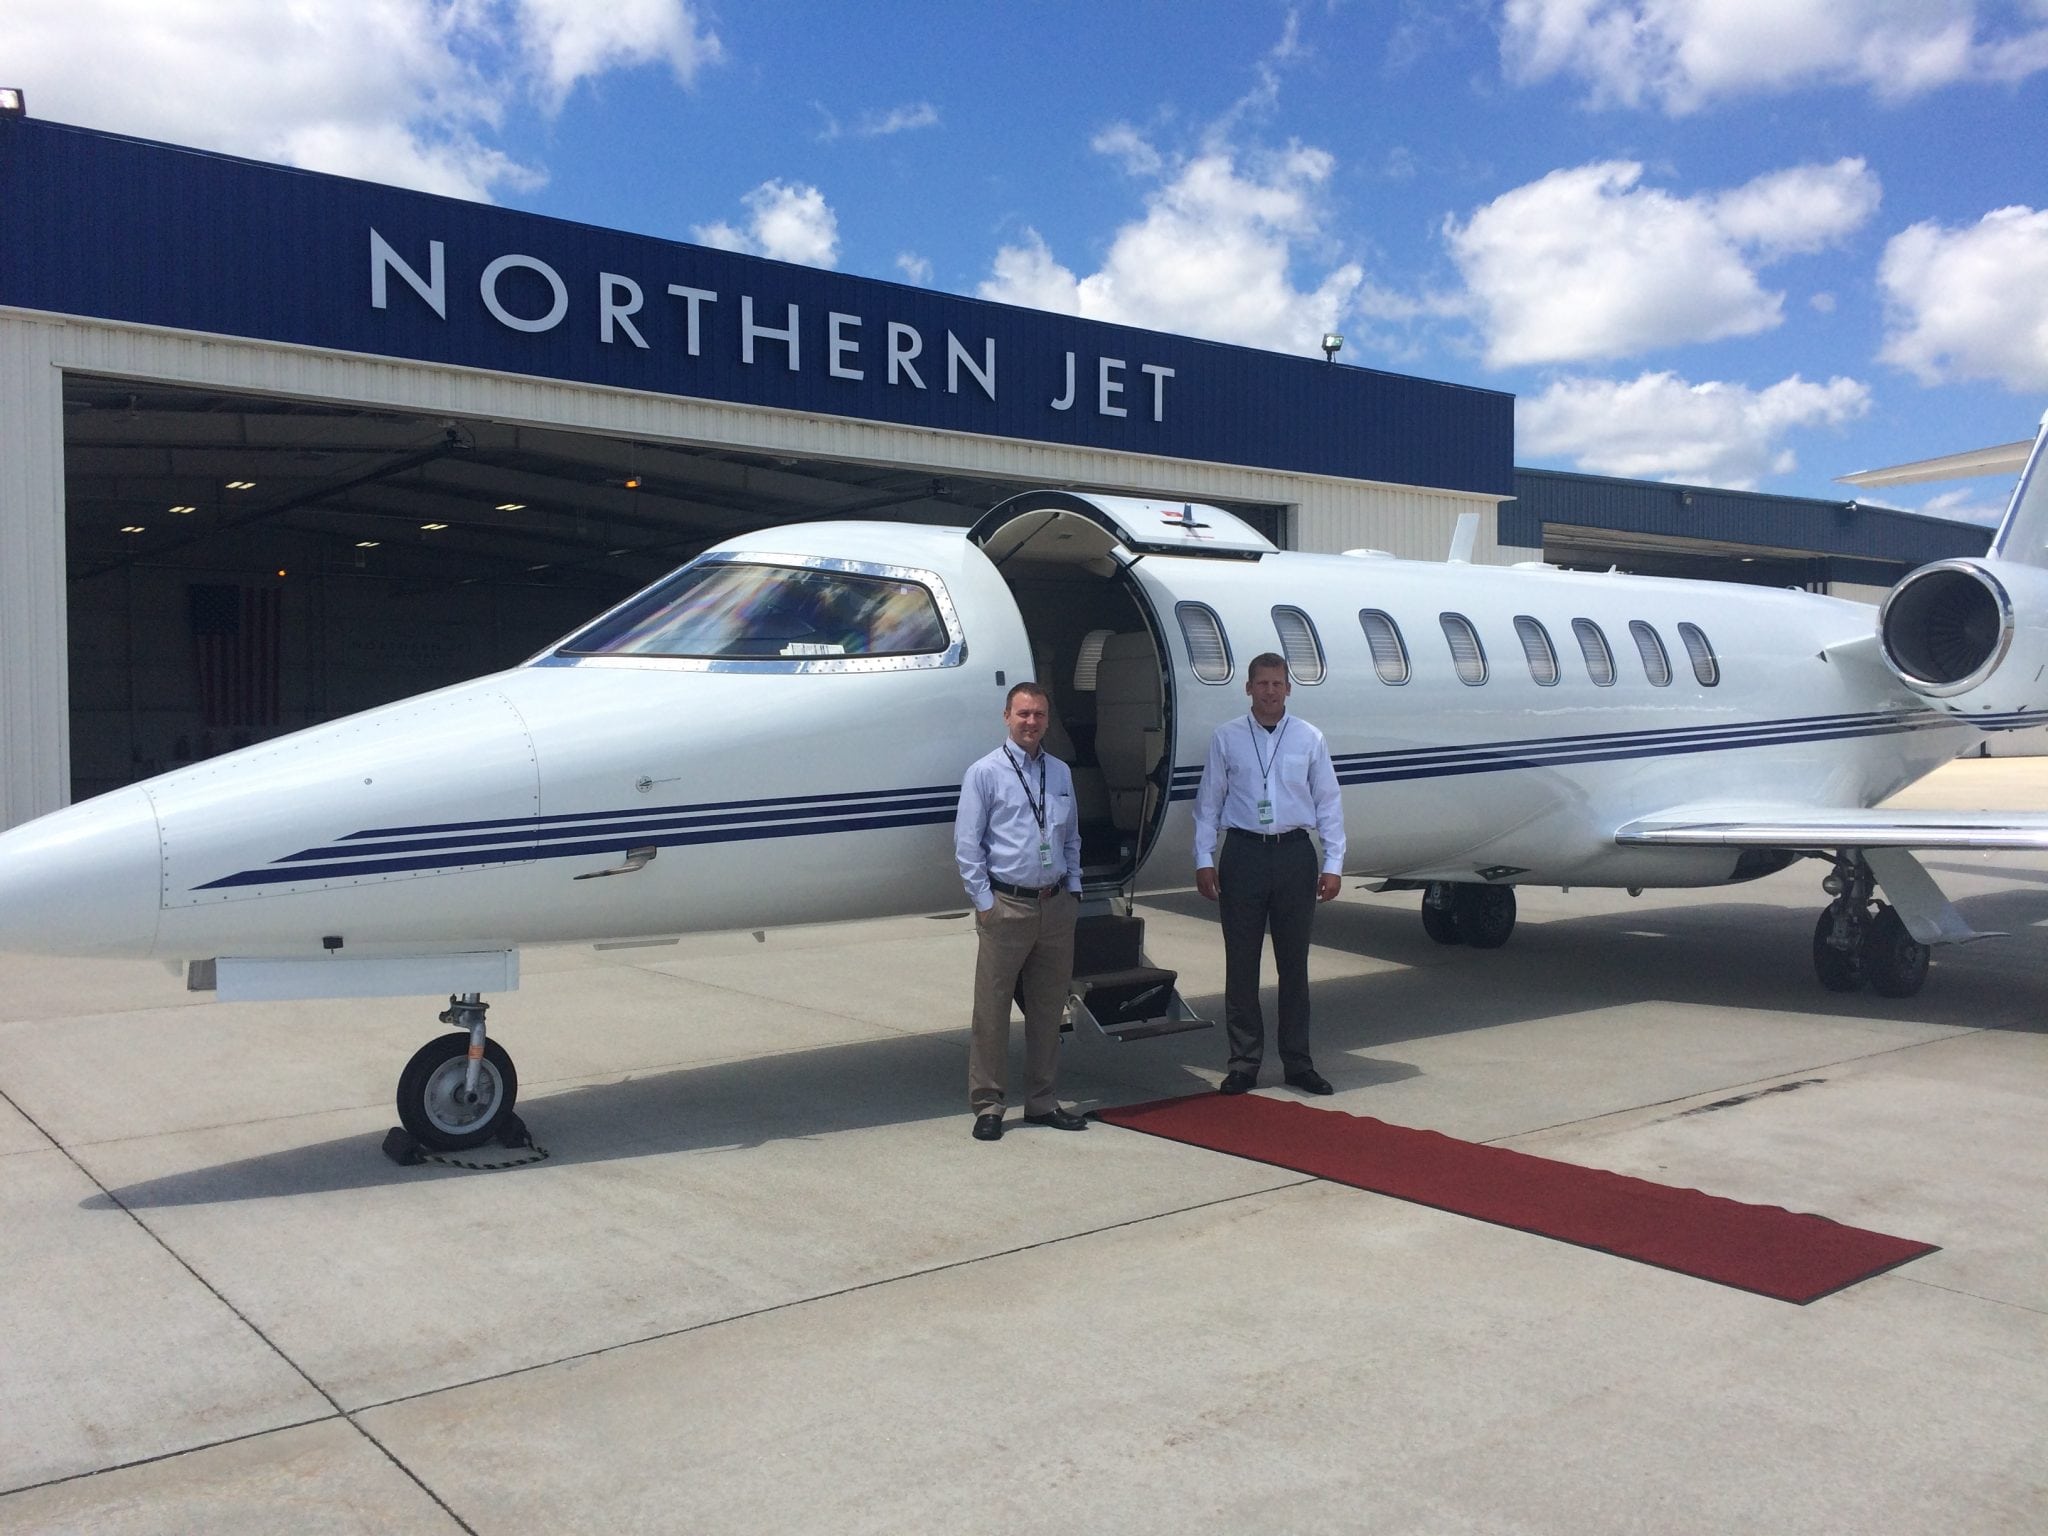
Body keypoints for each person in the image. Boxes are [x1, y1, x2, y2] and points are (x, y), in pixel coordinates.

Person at [1192, 652, 1346, 1096]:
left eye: (1278, 684)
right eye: (1262, 684)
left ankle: (1298, 1063)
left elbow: (1328, 803)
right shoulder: (1227, 739)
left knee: (1293, 965)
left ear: (1288, 689)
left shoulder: (1309, 738)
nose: (1270, 691)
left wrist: (1333, 864)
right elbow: (1208, 803)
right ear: (1248, 688)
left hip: (1294, 853)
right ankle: (1243, 1062)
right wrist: (1204, 858)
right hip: (1243, 853)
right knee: (1241, 965)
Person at [953, 681, 1089, 1141]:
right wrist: (985, 904)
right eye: (1023, 714)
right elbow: (967, 845)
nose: (1031, 723)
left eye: (1039, 715)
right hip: (1006, 906)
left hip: (1054, 906)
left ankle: (1042, 1101)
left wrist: (1073, 887)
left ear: (1048, 720)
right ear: (1007, 717)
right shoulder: (985, 773)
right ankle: (989, 1104)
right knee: (991, 1013)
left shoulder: (1061, 772)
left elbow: (1070, 837)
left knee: (1049, 1011)